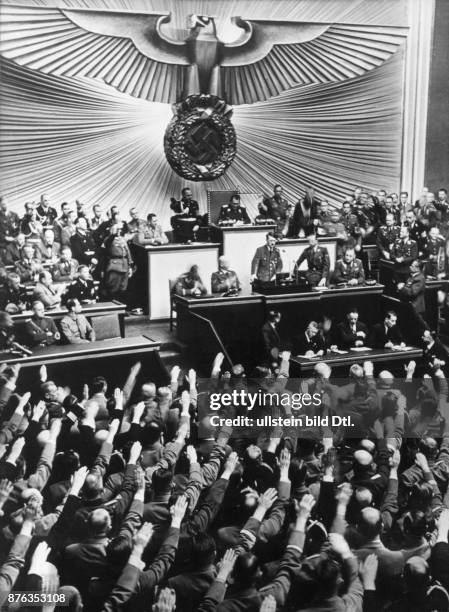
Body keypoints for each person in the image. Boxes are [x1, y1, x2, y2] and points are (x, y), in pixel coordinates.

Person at [101, 222, 134, 300]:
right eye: (117, 229)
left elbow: (128, 253)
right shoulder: (108, 239)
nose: (119, 231)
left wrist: (130, 266)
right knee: (113, 289)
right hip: (115, 266)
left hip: (125, 265)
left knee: (123, 289)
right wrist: (113, 234)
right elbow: (107, 243)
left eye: (120, 229)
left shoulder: (122, 239)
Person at [397, 260, 427, 328]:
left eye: (412, 266)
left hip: (415, 308)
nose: (410, 267)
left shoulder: (420, 278)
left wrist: (402, 288)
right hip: (409, 306)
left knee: (414, 327)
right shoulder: (412, 277)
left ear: (418, 268)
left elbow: (412, 292)